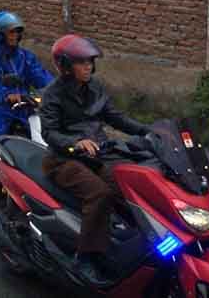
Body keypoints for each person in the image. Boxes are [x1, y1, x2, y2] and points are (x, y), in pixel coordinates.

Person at [39, 34, 149, 285]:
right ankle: (85, 257)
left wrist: (148, 130)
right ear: (66, 66)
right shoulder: (52, 94)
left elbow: (116, 117)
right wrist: (74, 143)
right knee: (99, 193)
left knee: (129, 183)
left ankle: (126, 240)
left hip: (96, 155)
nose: (88, 66)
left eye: (90, 61)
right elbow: (50, 133)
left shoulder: (95, 88)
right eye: (82, 62)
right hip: (62, 160)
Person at [0, 10, 53, 150]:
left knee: (44, 133)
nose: (15, 36)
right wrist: (7, 95)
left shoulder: (25, 57)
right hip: (0, 106)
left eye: (17, 32)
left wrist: (57, 88)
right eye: (11, 32)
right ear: (0, 35)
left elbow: (40, 75)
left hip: (24, 105)